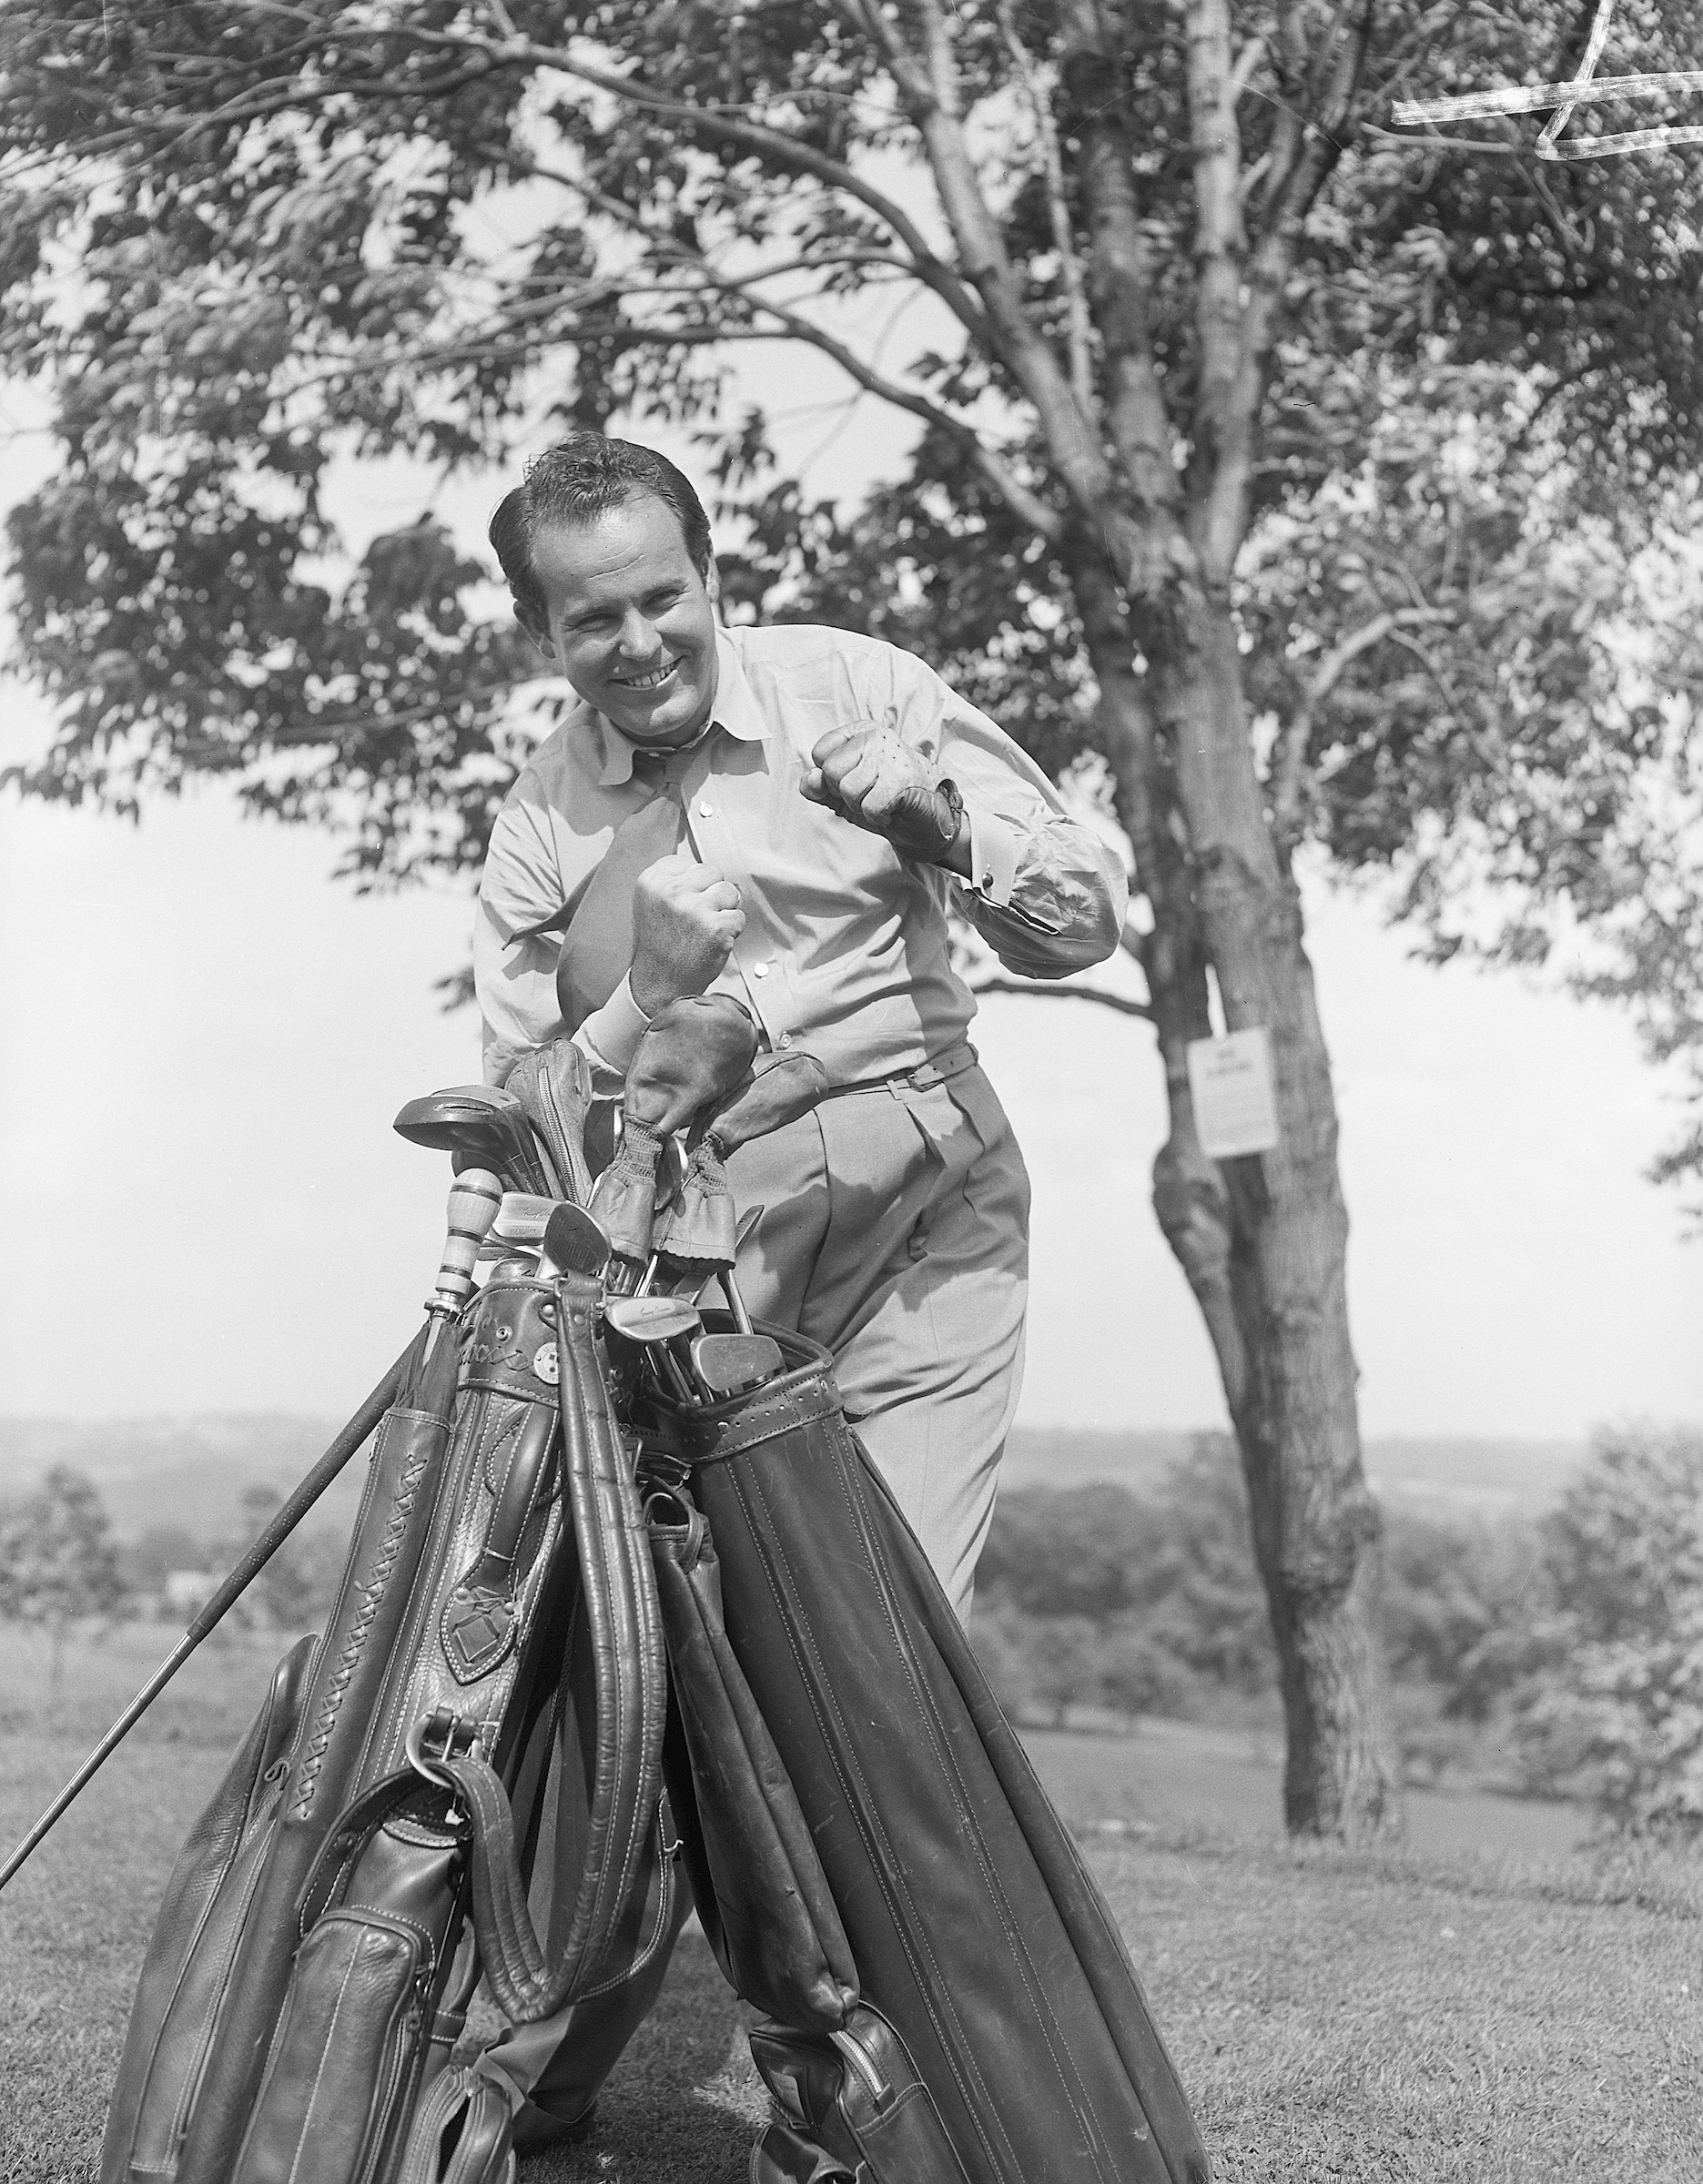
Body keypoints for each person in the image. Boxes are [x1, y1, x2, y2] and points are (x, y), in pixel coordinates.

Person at [470, 434, 1126, 2139]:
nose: (637, 641)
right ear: (546, 633)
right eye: (591, 617)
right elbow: (524, 1111)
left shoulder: (861, 689)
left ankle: (867, 2115)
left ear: (713, 576)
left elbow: (1084, 922)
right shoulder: (543, 820)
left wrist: (938, 820)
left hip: (928, 1210)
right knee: (653, 1663)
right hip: (702, 1254)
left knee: (882, 1660)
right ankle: (522, 2084)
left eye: (661, 596)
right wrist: (639, 1007)